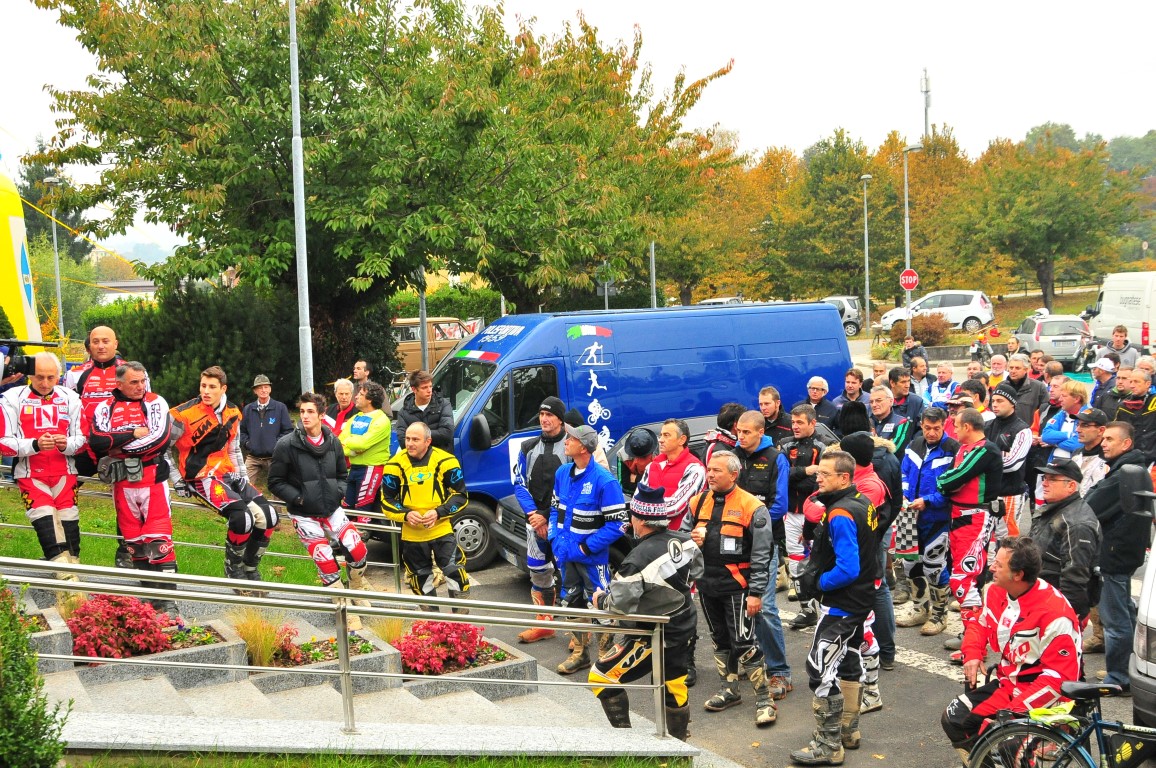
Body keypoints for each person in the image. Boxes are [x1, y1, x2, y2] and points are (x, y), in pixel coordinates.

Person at [940, 537, 1081, 761]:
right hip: (1009, 684)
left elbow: (1059, 679)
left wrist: (1012, 714)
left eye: (999, 564)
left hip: (1048, 697)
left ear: (1017, 575)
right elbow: (980, 623)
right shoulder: (996, 590)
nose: (991, 567)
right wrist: (973, 653)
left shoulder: (1055, 613)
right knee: (954, 718)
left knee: (1010, 745)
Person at [588, 482, 704, 741]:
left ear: (640, 520)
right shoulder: (685, 541)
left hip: (652, 634)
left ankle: (629, 743)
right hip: (684, 625)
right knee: (674, 688)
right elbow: (697, 572)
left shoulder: (636, 560)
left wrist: (600, 600)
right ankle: (678, 749)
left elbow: (619, 606)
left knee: (601, 677)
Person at [790, 451, 880, 765]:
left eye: (824, 474)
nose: (818, 479)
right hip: (861, 598)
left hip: (843, 603)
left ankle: (828, 745)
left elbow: (847, 568)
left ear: (844, 477)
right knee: (849, 659)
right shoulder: (861, 501)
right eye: (818, 473)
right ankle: (848, 731)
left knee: (819, 669)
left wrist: (818, 583)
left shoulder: (841, 511)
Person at [268, 392, 375, 630]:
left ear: (322, 415)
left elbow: (342, 474)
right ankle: (345, 610)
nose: (305, 416)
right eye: (302, 411)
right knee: (325, 561)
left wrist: (338, 492)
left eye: (310, 412)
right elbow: (275, 482)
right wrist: (299, 498)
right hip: (303, 513)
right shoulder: (286, 445)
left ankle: (356, 588)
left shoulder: (334, 441)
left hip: (332, 508)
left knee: (357, 549)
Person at [170, 366, 278, 591]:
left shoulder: (233, 412)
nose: (206, 391)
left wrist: (243, 478)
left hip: (228, 474)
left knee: (269, 516)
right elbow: (161, 449)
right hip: (200, 477)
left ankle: (250, 568)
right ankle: (233, 569)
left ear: (223, 389)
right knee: (243, 518)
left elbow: (234, 449)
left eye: (212, 387)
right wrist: (177, 479)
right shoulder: (182, 414)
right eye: (203, 386)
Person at [689, 451, 777, 727]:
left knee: (744, 643)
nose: (710, 475)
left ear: (734, 474)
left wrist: (756, 593)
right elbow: (681, 539)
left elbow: (762, 555)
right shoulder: (698, 502)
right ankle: (729, 690)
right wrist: (691, 540)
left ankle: (765, 700)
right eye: (709, 469)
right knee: (720, 640)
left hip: (739, 588)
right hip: (707, 586)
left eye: (717, 470)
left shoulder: (752, 506)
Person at [86, 361, 179, 615]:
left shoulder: (156, 402)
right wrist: (132, 433)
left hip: (152, 481)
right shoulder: (105, 407)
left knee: (159, 541)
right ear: (119, 384)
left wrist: (118, 447)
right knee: (134, 544)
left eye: (142, 381)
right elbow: (97, 442)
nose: (140, 386)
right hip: (122, 485)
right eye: (134, 382)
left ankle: (169, 602)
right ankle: (150, 600)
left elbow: (159, 440)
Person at [549, 423, 627, 675]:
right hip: (565, 555)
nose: (566, 441)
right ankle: (580, 654)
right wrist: (554, 538)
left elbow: (619, 524)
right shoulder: (562, 472)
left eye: (570, 439)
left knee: (601, 605)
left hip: (592, 559)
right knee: (570, 600)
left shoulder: (605, 481)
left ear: (583, 447)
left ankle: (605, 658)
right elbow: (554, 509)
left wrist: (585, 547)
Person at [0, 353, 86, 578]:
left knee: (70, 533)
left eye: (51, 377)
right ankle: (65, 580)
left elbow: (82, 440)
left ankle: (73, 586)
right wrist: (35, 445)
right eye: (39, 377)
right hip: (30, 473)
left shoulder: (71, 398)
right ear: (29, 375)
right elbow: (4, 444)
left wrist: (66, 444)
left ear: (59, 376)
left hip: (65, 472)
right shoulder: (12, 397)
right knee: (47, 525)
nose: (45, 383)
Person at [1083, 421, 1153, 687]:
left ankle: (1119, 677)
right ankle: (1131, 668)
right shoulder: (1129, 468)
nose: (1104, 443)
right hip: (1123, 552)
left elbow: (1091, 505)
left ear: (1127, 443)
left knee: (1115, 619)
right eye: (1104, 439)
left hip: (1115, 554)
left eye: (1110, 439)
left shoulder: (1123, 472)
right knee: (1125, 611)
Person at [732, 409, 792, 699]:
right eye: (738, 432)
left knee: (765, 608)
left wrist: (750, 523)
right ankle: (751, 658)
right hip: (733, 545)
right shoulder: (731, 456)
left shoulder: (775, 458)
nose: (741, 437)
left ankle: (780, 671)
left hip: (765, 544)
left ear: (760, 432)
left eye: (746, 432)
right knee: (739, 605)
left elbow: (780, 504)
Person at [381, 422, 470, 609]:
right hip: (412, 535)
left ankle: (461, 621)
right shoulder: (394, 464)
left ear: (428, 441)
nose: (410, 443)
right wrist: (406, 514)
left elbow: (461, 496)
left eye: (415, 439)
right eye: (407, 439)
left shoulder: (446, 461)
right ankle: (431, 621)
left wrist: (438, 513)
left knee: (454, 571)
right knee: (420, 579)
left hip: (441, 530)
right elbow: (386, 501)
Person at [66, 325, 132, 566]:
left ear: (116, 343)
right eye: (96, 341)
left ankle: (127, 553)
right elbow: (66, 410)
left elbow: (143, 407)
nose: (101, 346)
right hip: (85, 448)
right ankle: (67, 552)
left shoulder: (130, 371)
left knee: (128, 498)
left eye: (106, 341)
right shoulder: (76, 374)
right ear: (89, 346)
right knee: (64, 493)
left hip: (119, 448)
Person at [936, 407, 1003, 643]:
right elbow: (948, 481)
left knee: (963, 579)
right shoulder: (963, 449)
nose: (953, 431)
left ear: (967, 427)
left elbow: (952, 479)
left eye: (955, 426)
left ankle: (974, 639)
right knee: (963, 576)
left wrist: (946, 483)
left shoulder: (985, 450)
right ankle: (973, 634)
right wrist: (946, 483)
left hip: (976, 518)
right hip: (958, 516)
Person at [512, 396, 569, 644]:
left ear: (560, 419)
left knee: (570, 574)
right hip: (534, 522)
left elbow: (571, 487)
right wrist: (534, 515)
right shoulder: (528, 446)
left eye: (550, 415)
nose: (544, 419)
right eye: (541, 414)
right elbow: (519, 483)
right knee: (538, 572)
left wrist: (546, 516)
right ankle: (544, 624)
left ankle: (579, 633)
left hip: (563, 523)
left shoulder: (571, 446)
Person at [897, 407, 959, 636]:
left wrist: (929, 501)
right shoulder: (914, 444)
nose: (931, 433)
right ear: (921, 425)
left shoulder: (953, 449)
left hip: (937, 517)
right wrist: (904, 494)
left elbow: (953, 486)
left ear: (944, 426)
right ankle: (920, 609)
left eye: (936, 428)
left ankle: (940, 615)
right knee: (910, 563)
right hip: (910, 516)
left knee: (934, 566)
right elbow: (904, 472)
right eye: (927, 428)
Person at [1029, 459, 1102, 624]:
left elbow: (1075, 578)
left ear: (1071, 486)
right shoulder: (1056, 509)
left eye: (1052, 479)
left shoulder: (1077, 524)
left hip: (1055, 607)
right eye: (1044, 478)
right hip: (1040, 597)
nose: (1045, 483)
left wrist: (1066, 618)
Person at [781, 405, 833, 630]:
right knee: (795, 559)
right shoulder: (785, 444)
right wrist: (805, 471)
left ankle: (826, 609)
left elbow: (822, 481)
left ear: (812, 423)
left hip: (816, 511)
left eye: (800, 422)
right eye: (793, 422)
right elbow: (781, 475)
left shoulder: (825, 445)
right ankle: (807, 610)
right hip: (791, 512)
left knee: (821, 559)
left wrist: (801, 478)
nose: (795, 426)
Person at [640, 418, 707, 532]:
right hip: (649, 535)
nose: (661, 440)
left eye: (666, 435)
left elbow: (675, 506)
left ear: (682, 440)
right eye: (661, 435)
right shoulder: (652, 466)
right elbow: (636, 500)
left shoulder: (694, 468)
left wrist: (644, 506)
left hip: (678, 537)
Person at [985, 383, 1034, 540]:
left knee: (1007, 541)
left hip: (1010, 493)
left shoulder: (1022, 430)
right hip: (987, 493)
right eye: (993, 401)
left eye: (1000, 401)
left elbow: (1013, 464)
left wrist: (986, 460)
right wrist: (1000, 455)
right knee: (986, 539)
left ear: (1012, 403)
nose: (995, 405)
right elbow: (973, 454)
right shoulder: (986, 426)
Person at [339, 381, 392, 521]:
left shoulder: (382, 420)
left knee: (362, 511)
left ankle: (363, 534)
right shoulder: (355, 418)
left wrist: (350, 442)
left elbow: (362, 444)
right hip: (353, 468)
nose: (356, 397)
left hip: (371, 469)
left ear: (370, 399)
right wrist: (353, 450)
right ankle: (349, 535)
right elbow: (339, 442)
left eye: (361, 394)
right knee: (347, 509)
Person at [239, 374, 293, 490]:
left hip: (275, 457)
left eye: (266, 387)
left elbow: (288, 431)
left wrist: (276, 444)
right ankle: (247, 503)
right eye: (260, 387)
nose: (263, 390)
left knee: (278, 490)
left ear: (270, 389)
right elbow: (241, 432)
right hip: (253, 457)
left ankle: (276, 503)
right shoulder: (248, 409)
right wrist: (248, 443)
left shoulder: (280, 407)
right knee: (243, 487)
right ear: (255, 391)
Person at [393, 370, 454, 452]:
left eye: (430, 386)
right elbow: (403, 441)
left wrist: (416, 437)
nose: (429, 390)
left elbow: (447, 434)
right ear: (414, 389)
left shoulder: (443, 404)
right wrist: (426, 437)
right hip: (416, 458)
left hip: (440, 456)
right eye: (424, 387)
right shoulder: (404, 412)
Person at [1002, 353, 1048, 429]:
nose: (1013, 371)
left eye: (1017, 368)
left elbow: (1045, 412)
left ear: (1026, 369)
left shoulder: (1039, 387)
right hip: (1005, 431)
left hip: (1029, 431)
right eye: (1011, 367)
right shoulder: (1001, 387)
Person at [1072, 408, 1109, 496]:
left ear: (1101, 430)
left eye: (1085, 425)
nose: (1078, 430)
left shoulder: (1109, 457)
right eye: (1077, 424)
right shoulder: (1076, 454)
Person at [868, 386, 911, 454]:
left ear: (891, 401)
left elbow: (894, 449)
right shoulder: (866, 422)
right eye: (871, 402)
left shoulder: (902, 422)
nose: (874, 405)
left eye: (878, 400)